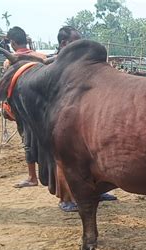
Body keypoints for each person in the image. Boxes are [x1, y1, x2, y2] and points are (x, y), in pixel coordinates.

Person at [54, 26, 117, 212]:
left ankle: (98, 190)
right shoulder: (58, 67)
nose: (81, 45)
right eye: (76, 41)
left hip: (85, 114)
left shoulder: (81, 64)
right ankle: (66, 199)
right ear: (64, 44)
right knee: (65, 160)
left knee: (92, 157)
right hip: (65, 118)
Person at [4, 26, 46, 188]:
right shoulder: (41, 57)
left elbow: (9, 87)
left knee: (27, 140)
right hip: (43, 108)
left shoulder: (10, 62)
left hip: (23, 109)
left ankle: (32, 177)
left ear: (13, 43)